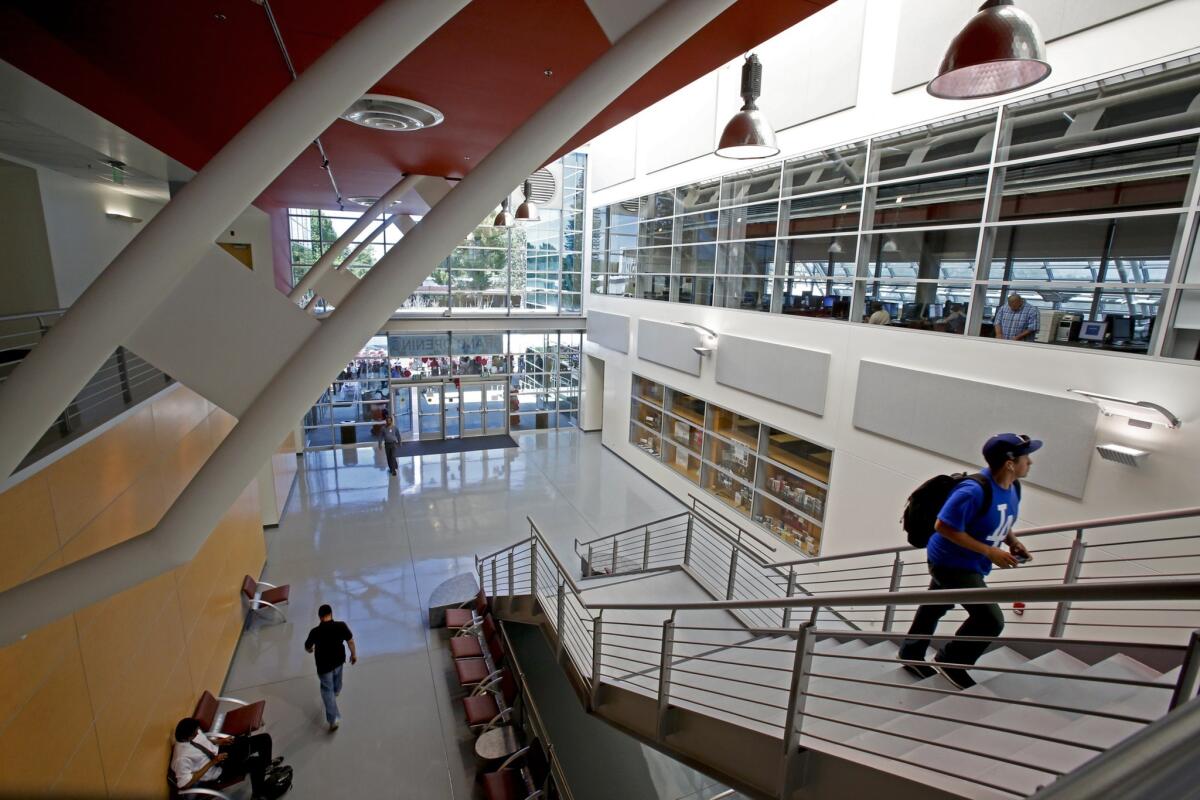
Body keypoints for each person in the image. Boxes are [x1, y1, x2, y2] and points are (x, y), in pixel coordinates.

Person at [897, 433, 1039, 690]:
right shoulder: (972, 490)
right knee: (990, 620)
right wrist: (990, 552)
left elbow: (998, 519)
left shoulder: (1012, 487)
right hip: (950, 562)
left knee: (935, 605)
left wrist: (1012, 541)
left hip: (971, 562)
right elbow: (943, 526)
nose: (1030, 462)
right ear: (1009, 463)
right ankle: (951, 661)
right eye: (1026, 457)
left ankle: (910, 653)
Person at [170, 717, 276, 799]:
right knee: (256, 763)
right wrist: (212, 762)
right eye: (195, 733)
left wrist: (219, 741)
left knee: (264, 739)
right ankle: (257, 794)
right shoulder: (181, 758)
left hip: (221, 752)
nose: (198, 733)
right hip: (219, 770)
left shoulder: (190, 736)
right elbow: (184, 784)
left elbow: (202, 742)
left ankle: (266, 768)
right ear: (186, 737)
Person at [304, 604, 356, 731]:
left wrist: (311, 650)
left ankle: (334, 720)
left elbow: (308, 647)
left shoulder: (315, 632)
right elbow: (350, 641)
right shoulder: (341, 626)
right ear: (331, 614)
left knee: (327, 691)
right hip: (339, 661)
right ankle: (337, 691)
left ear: (320, 617)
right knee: (338, 680)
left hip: (324, 667)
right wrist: (353, 654)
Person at [376, 411, 400, 476]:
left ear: (391, 421)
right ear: (386, 421)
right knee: (389, 457)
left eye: (389, 421)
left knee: (392, 456)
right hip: (387, 444)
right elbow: (380, 437)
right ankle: (392, 467)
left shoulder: (395, 428)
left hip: (393, 444)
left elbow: (398, 435)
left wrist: (399, 443)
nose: (388, 422)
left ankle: (393, 470)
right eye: (387, 421)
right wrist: (379, 444)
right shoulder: (383, 428)